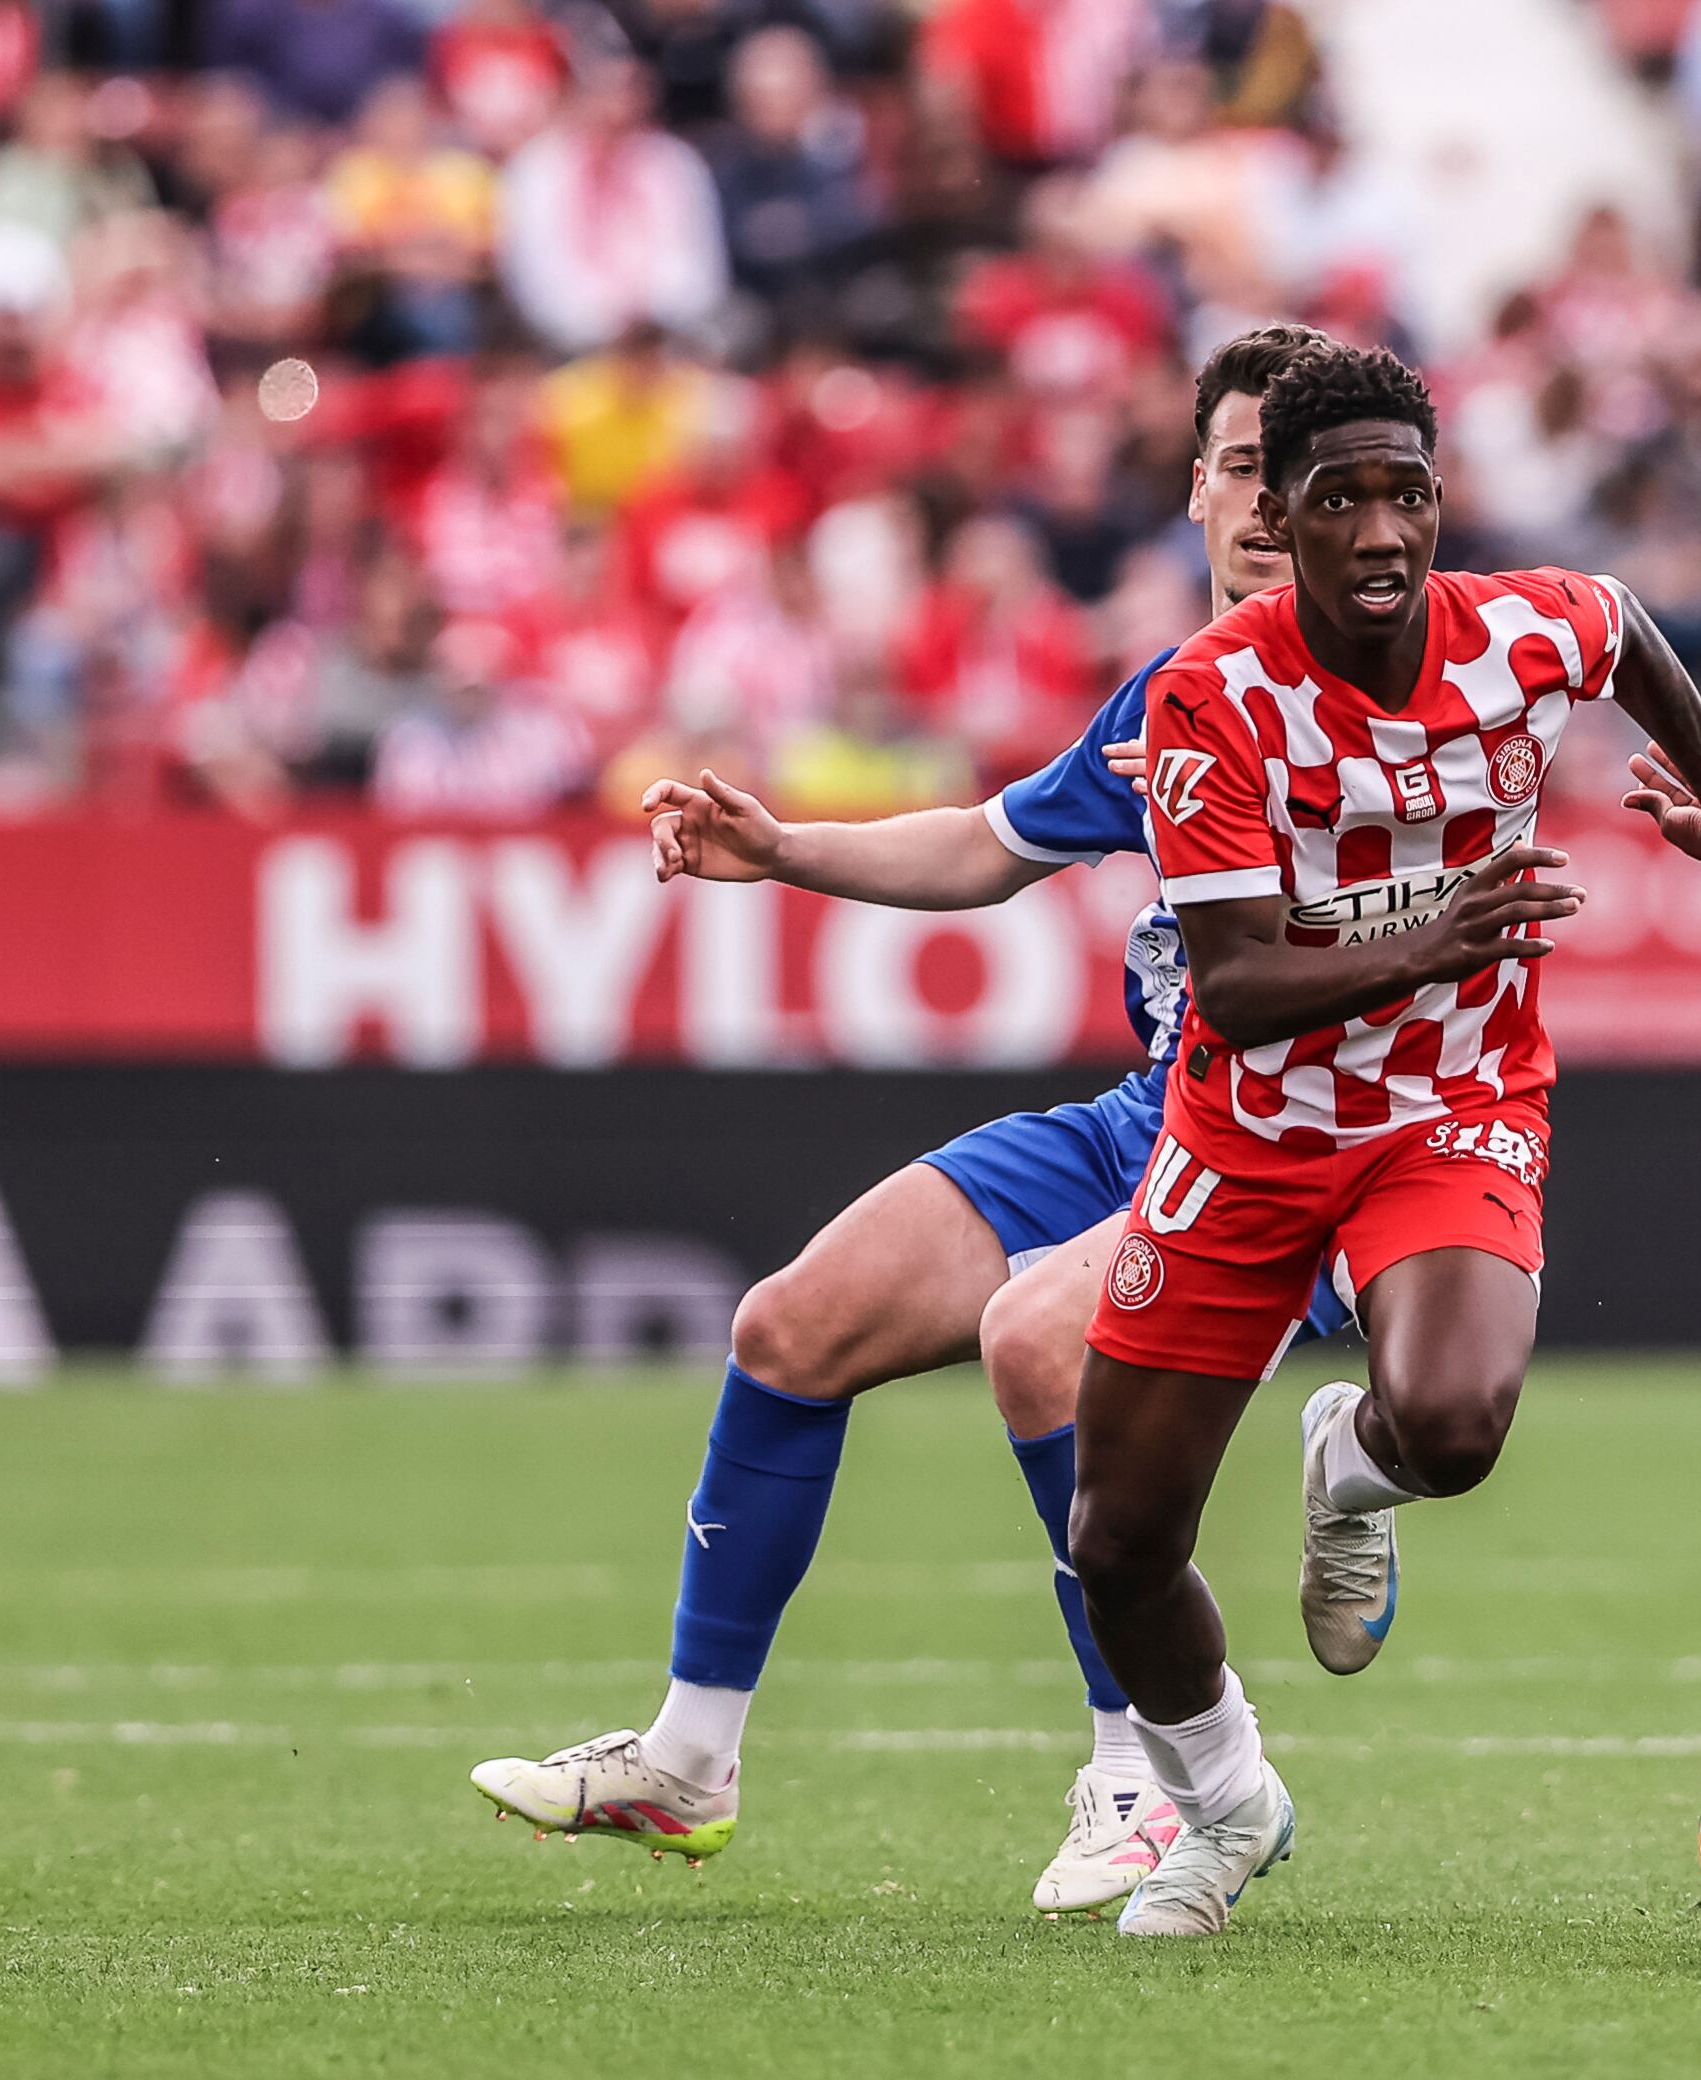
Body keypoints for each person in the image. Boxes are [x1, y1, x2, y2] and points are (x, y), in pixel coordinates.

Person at [467, 325, 1347, 1917]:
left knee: (1041, 1343)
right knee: (792, 1326)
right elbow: (993, 844)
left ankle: (1146, 1773)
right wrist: (783, 848)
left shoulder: (1388, 693)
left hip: (1294, 1152)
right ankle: (689, 1759)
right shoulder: (1173, 692)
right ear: (1196, 491)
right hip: (1148, 1117)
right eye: (1239, 467)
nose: (1267, 504)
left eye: (1300, 474)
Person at [1063, 341, 1701, 1937]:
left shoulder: (1523, 631)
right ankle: (1227, 1806)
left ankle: (1351, 1461)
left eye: (1410, 494)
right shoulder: (1211, 697)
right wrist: (1433, 938)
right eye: (1341, 499)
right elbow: (1236, 988)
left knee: (1451, 1425)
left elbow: (1625, 627)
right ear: (1279, 519)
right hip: (1249, 1131)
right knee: (1119, 1542)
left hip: (1454, 1105)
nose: (1382, 531)